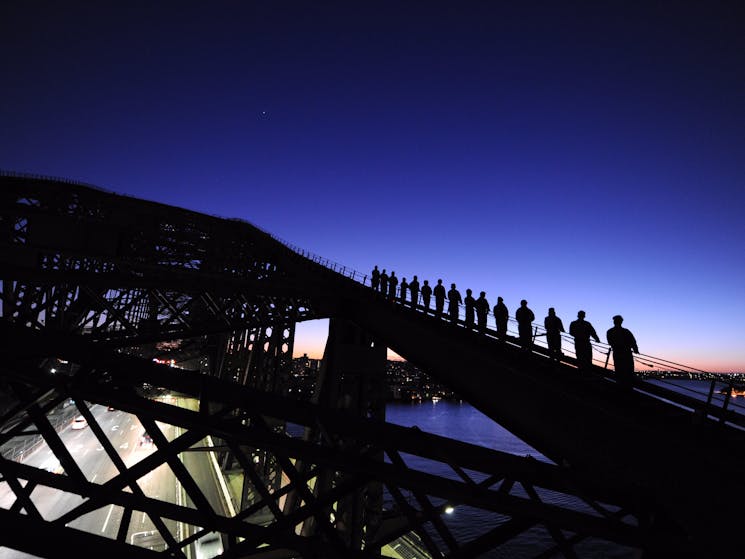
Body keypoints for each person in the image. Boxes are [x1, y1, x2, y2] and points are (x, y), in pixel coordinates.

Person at [607, 315, 639, 390]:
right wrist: (635, 349)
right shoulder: (626, 331)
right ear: (621, 322)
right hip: (626, 353)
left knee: (619, 368)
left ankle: (620, 385)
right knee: (628, 369)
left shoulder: (610, 331)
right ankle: (628, 386)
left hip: (618, 353)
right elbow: (633, 341)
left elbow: (610, 342)